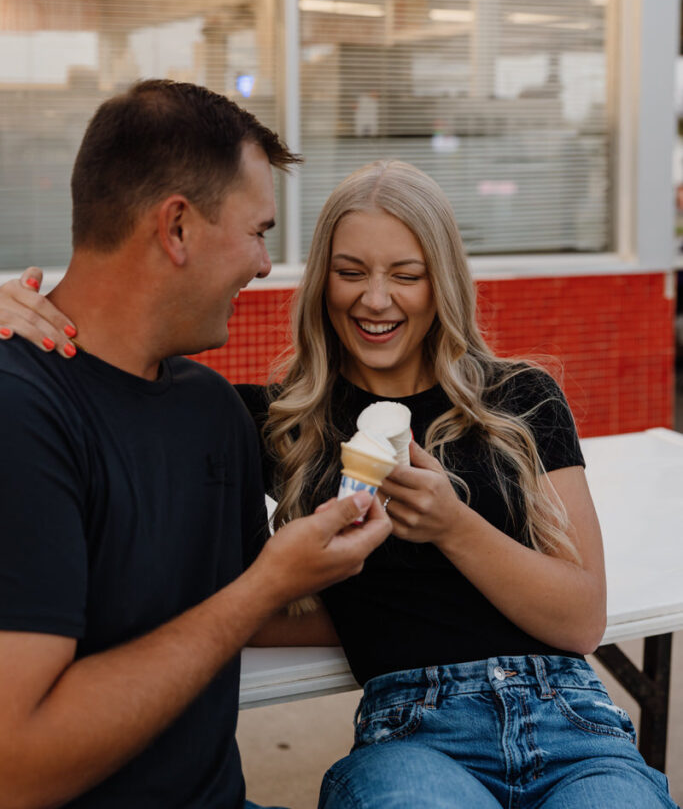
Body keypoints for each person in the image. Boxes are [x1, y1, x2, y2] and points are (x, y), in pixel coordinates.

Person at [2, 160, 678, 809]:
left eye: (405, 275)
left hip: (570, 723)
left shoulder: (520, 398)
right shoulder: (271, 420)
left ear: (441, 281)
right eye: (349, 271)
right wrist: (8, 313)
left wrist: (451, 525)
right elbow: (248, 597)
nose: (374, 299)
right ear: (322, 279)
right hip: (414, 735)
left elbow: (581, 618)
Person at [0, 80, 391, 809]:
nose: (264, 264)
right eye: (258, 231)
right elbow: (13, 766)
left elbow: (236, 609)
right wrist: (268, 582)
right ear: (176, 228)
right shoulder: (21, 414)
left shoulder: (209, 408)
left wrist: (449, 601)